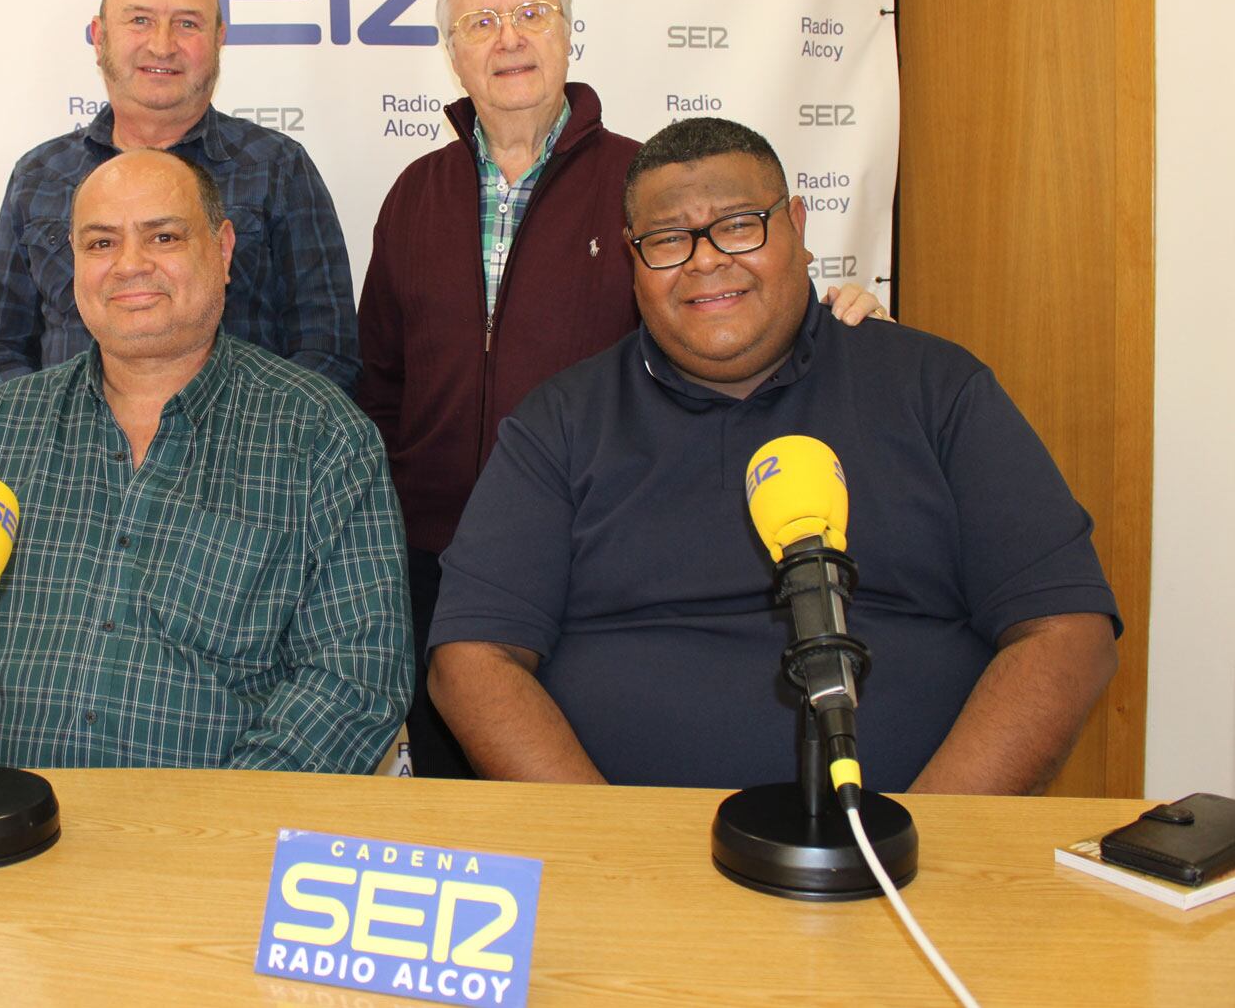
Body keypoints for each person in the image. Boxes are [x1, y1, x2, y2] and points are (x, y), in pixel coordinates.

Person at [426, 117, 1119, 794]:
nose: (705, 260)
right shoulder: (561, 422)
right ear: (633, 260)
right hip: (631, 870)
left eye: (737, 225)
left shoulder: (934, 388)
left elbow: (1065, 630)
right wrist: (605, 850)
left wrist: (931, 840)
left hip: (910, 862)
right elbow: (472, 658)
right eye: (668, 239)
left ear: (797, 225)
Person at [354, 0, 884, 778]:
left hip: (602, 557)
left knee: (589, 794)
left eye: (532, 13)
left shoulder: (647, 188)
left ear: (568, 33)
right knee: (461, 806)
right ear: (451, 52)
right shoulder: (414, 195)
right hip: (438, 567)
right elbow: (379, 381)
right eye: (482, 21)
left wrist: (841, 312)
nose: (509, 38)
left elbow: (737, 319)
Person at [0, 150, 411, 774]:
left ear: (223, 248)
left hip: (215, 851)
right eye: (101, 243)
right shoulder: (3, 429)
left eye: (164, 236)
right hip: (4, 842)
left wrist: (211, 832)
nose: (130, 265)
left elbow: (355, 679)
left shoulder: (322, 438)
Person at [0, 0, 359, 402]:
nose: (162, 45)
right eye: (140, 21)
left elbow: (327, 350)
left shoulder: (278, 168)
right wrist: (45, 442)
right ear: (100, 37)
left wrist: (248, 446)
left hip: (244, 465)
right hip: (71, 469)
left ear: (218, 40)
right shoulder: (40, 176)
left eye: (187, 24)